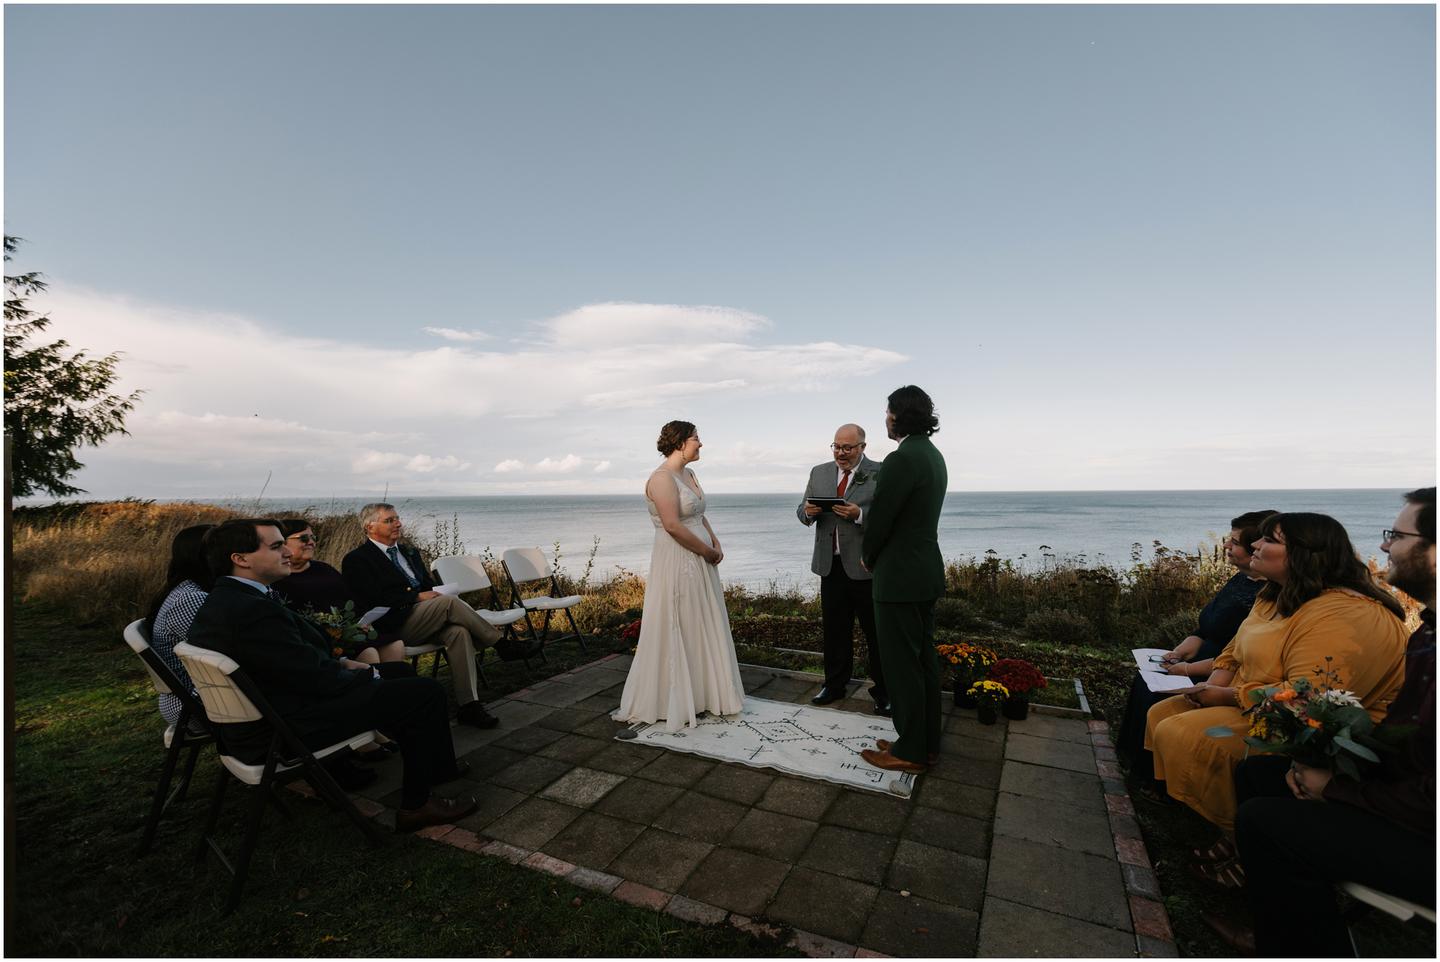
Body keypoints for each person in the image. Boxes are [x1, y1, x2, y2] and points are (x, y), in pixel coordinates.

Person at [1206, 488, 1436, 956]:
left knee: (1265, 821)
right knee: (1259, 773)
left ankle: (1297, 946)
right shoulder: (1428, 632)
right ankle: (1277, 909)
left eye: (1397, 535)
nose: (1386, 546)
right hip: (1407, 795)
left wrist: (1334, 788)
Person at [187, 518, 476, 833]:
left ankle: (435, 766)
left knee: (397, 671)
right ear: (240, 559)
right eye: (275, 546)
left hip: (269, 714)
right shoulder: (251, 610)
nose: (287, 551)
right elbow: (315, 679)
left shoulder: (228, 599)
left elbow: (286, 663)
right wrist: (363, 674)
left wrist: (347, 667)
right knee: (423, 693)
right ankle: (417, 806)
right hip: (284, 729)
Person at [1144, 511, 1409, 834]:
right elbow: (1232, 651)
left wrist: (1226, 696)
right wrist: (1212, 687)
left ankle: (1235, 833)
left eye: (1269, 539)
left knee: (1186, 733)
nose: (1254, 544)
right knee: (1162, 713)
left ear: (1305, 554)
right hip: (1259, 704)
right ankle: (1207, 817)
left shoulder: (1346, 613)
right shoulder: (1272, 595)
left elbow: (1307, 698)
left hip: (1312, 728)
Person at [342, 502, 538, 728]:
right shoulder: (358, 559)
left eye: (397, 518)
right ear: (370, 527)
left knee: (458, 632)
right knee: (448, 603)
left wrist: (433, 593)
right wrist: (415, 598)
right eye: (389, 520)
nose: (398, 523)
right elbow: (370, 599)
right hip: (394, 625)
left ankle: (469, 706)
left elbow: (427, 585)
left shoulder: (409, 552)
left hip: (425, 618)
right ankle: (501, 644)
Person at [1116, 510, 1274, 781]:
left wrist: (1187, 669)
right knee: (1145, 680)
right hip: (1200, 657)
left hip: (1219, 673)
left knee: (1156, 694)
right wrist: (1186, 646)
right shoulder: (1240, 580)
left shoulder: (1264, 596)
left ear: (1254, 549)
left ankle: (1159, 777)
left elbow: (1239, 654)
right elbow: (1208, 625)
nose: (1226, 545)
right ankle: (1133, 760)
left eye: (1234, 542)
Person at [613, 420, 745, 731]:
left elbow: (699, 513)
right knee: (680, 619)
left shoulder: (689, 474)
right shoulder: (661, 479)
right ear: (680, 442)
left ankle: (704, 695)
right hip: (679, 556)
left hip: (700, 553)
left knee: (701, 619)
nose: (701, 443)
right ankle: (672, 697)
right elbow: (673, 525)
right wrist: (706, 551)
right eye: (697, 438)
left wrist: (716, 541)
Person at [859, 386, 947, 774]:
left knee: (901, 666)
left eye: (887, 412)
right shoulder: (932, 455)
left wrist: (867, 555)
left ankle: (909, 750)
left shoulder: (901, 459)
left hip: (898, 577)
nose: (885, 419)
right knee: (924, 661)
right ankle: (924, 742)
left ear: (898, 416)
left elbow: (882, 518)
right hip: (925, 571)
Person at [799, 423, 889, 714]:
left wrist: (860, 514)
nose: (840, 452)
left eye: (847, 448)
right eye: (836, 446)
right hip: (830, 565)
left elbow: (890, 515)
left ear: (863, 447)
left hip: (865, 567)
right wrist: (808, 513)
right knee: (835, 631)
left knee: (876, 633)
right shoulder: (819, 472)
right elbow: (802, 510)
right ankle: (834, 685)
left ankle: (884, 691)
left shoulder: (879, 471)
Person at [273, 518, 405, 664]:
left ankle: (394, 684)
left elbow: (351, 598)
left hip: (353, 630)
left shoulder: (324, 569)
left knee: (395, 645)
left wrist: (364, 622)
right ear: (282, 543)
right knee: (369, 653)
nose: (311, 542)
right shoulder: (278, 578)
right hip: (323, 639)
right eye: (303, 538)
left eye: (313, 537)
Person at [142, 524, 214, 727]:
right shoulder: (191, 598)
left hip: (200, 698)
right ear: (203, 555)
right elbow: (224, 653)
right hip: (192, 706)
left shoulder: (188, 589)